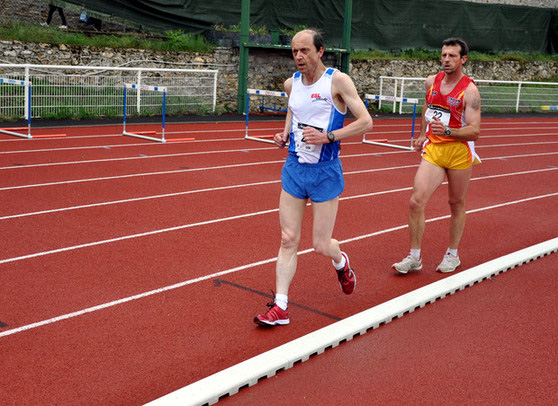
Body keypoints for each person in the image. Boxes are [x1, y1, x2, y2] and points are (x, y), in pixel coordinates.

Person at [254, 28, 373, 327]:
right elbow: (293, 112)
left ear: (320, 51)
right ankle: (280, 306)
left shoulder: (337, 81)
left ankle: (341, 261)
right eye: (294, 51)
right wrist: (284, 134)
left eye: (305, 50)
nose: (298, 56)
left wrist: (328, 136)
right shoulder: (291, 84)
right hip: (294, 168)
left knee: (320, 244)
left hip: (325, 172)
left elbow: (366, 122)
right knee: (288, 238)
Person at [392, 37, 481, 275]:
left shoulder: (470, 91)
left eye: (452, 56)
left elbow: (475, 131)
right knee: (415, 201)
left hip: (459, 153)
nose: (446, 60)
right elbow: (428, 106)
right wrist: (423, 133)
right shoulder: (431, 81)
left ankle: (453, 254)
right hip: (434, 149)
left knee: (456, 203)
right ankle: (414, 257)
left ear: (463, 59)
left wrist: (450, 130)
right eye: (443, 55)